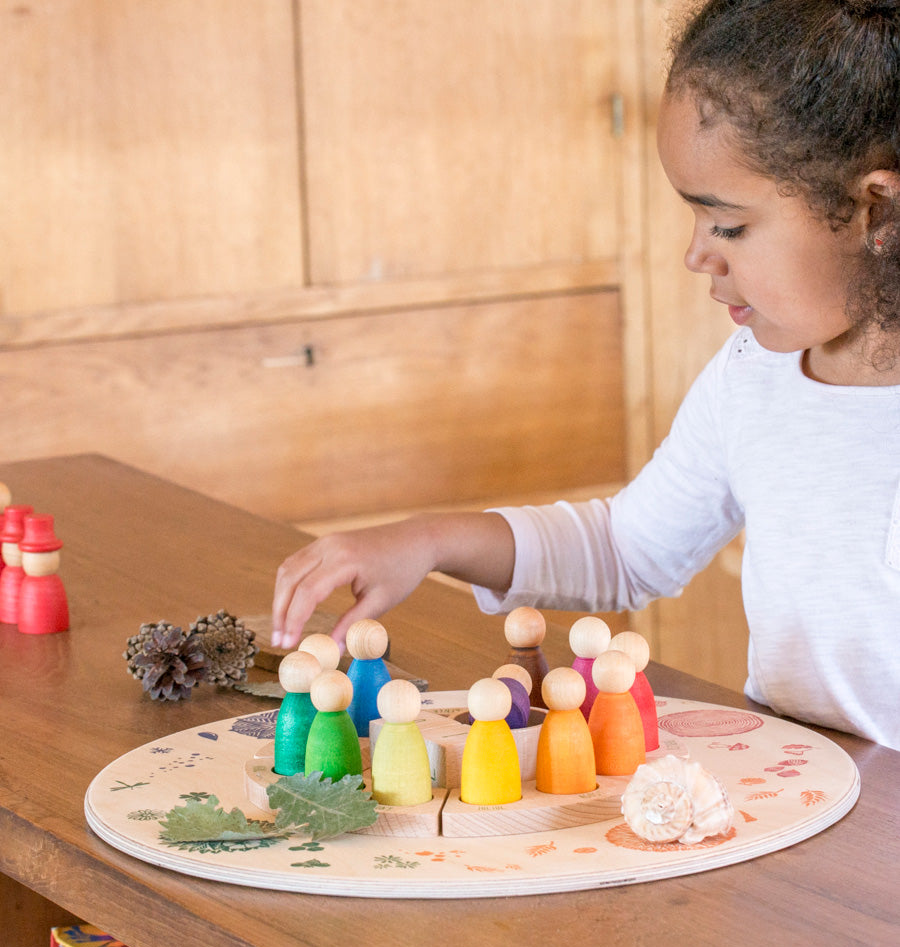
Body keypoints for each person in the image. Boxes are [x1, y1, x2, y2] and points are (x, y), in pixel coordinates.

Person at [272, 0, 900, 751]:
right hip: (807, 803)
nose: (698, 254)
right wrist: (425, 540)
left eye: (728, 224)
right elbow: (626, 549)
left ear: (874, 210)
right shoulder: (752, 378)